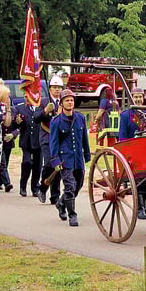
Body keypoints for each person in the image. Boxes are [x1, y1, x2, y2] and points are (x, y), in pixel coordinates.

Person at [49, 89, 90, 227]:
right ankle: (72, 215)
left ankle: (61, 203)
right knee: (70, 186)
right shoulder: (56, 121)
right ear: (61, 103)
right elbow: (53, 142)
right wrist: (55, 160)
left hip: (78, 158)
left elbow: (85, 138)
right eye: (67, 100)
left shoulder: (80, 118)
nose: (70, 102)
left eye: (71, 100)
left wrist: (87, 154)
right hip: (65, 159)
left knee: (78, 184)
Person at [118, 89, 146, 219]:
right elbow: (122, 137)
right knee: (139, 178)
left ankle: (143, 201)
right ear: (131, 99)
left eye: (140, 97)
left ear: (143, 98)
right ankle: (139, 207)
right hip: (132, 153)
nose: (138, 99)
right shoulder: (125, 115)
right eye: (135, 97)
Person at [37, 75, 64, 205]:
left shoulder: (64, 102)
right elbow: (35, 118)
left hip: (60, 138)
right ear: (50, 88)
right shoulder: (43, 101)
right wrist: (45, 111)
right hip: (47, 136)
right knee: (49, 164)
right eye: (54, 87)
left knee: (57, 166)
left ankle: (55, 196)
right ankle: (42, 188)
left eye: (59, 87)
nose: (57, 90)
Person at [14, 93, 44, 198]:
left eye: (29, 97)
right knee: (26, 163)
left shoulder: (41, 107)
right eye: (26, 97)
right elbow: (15, 124)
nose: (27, 99)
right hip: (26, 141)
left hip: (38, 140)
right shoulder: (20, 108)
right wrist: (17, 122)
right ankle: (23, 186)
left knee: (37, 165)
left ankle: (35, 187)